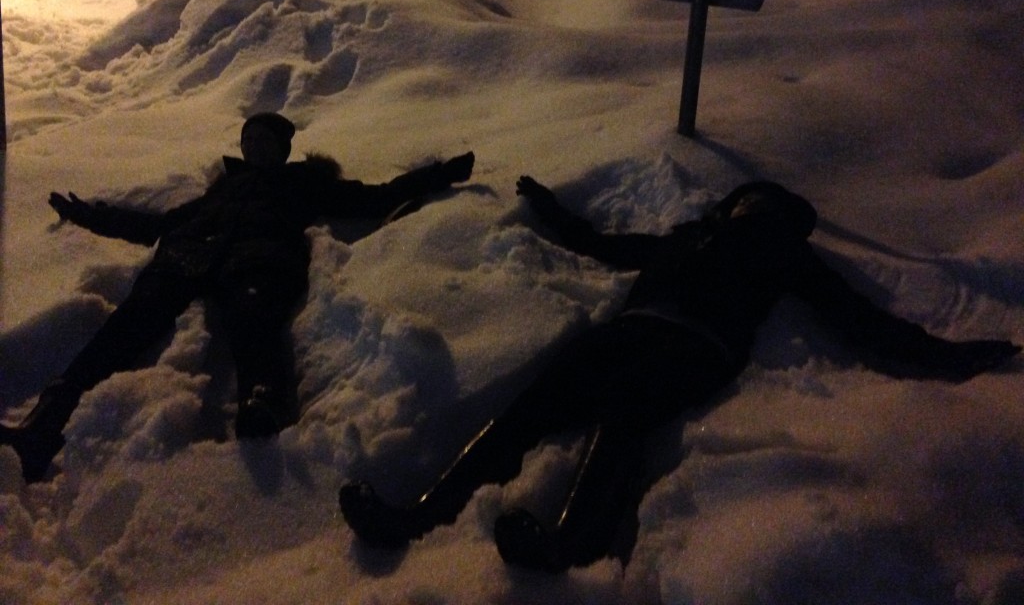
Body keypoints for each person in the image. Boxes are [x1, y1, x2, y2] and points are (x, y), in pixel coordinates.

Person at [338, 176, 1020, 572]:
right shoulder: (686, 240)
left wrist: (950, 355)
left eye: (771, 209)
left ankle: (576, 537)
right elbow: (601, 244)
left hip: (696, 343)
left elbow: (859, 319)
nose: (757, 212)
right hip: (631, 329)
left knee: (626, 412)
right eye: (753, 202)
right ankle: (419, 514)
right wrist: (548, 210)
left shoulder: (785, 257)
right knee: (530, 407)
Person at [0, 112, 475, 484]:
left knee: (253, 316)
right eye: (248, 140)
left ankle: (261, 403)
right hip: (186, 258)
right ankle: (47, 421)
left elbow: (376, 198)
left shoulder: (303, 182)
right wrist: (89, 216)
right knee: (124, 327)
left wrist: (438, 175)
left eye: (264, 140)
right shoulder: (221, 191)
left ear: (283, 149)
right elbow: (157, 226)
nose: (254, 147)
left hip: (259, 259)